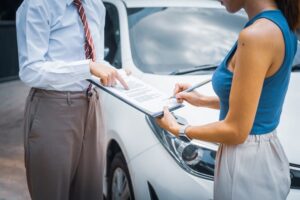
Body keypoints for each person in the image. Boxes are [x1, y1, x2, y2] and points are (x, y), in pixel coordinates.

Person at [156, 0, 299, 199]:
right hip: (263, 154)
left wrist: (178, 130)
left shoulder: (256, 36)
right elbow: (259, 100)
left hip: (245, 162)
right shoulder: (282, 23)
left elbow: (236, 131)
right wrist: (203, 100)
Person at [16, 0, 128, 199]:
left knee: (90, 192)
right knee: (51, 193)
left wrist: (116, 73)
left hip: (93, 105)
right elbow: (30, 70)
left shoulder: (96, 6)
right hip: (53, 108)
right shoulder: (37, 5)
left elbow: (97, 60)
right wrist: (86, 68)